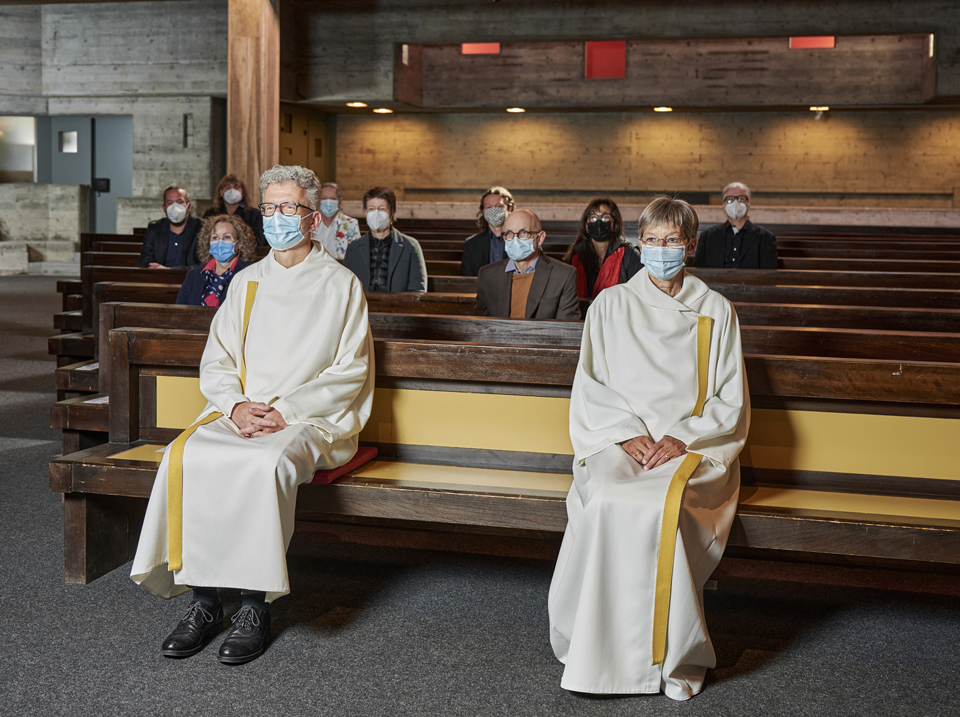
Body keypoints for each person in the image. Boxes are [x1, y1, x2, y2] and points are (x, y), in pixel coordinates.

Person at [131, 164, 374, 665]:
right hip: (243, 411)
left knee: (264, 465)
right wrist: (238, 406)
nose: (278, 216)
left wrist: (285, 411)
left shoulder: (341, 284)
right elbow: (216, 359)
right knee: (189, 454)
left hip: (310, 419)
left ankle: (252, 605)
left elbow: (351, 371)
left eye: (289, 207)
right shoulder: (247, 282)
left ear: (310, 219)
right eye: (270, 207)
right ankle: (202, 600)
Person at [549, 196, 749, 700]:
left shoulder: (716, 310)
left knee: (662, 505)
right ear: (639, 244)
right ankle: (600, 648)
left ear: (691, 245)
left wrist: (684, 436)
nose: (663, 250)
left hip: (691, 445)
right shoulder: (611, 305)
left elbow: (731, 397)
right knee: (612, 499)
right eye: (654, 241)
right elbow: (590, 384)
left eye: (673, 241)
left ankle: (664, 655)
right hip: (621, 441)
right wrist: (622, 432)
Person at [475, 209, 580, 320]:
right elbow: (481, 326)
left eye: (523, 232)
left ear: (539, 238)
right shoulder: (487, 274)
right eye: (510, 233)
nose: (515, 239)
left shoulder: (563, 275)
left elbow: (567, 329)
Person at [343, 186, 427, 292]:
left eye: (382, 209)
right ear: (365, 212)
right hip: (363, 307)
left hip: (398, 306)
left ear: (391, 212)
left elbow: (418, 289)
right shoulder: (354, 248)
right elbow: (346, 286)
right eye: (371, 209)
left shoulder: (410, 246)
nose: (376, 214)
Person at [563, 197, 642, 299]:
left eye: (605, 217)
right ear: (586, 225)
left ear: (614, 225)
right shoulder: (575, 256)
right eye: (593, 217)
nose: (598, 222)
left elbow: (638, 295)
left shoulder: (630, 255)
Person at [176, 214, 258, 306]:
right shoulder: (193, 276)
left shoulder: (251, 274)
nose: (220, 242)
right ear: (208, 242)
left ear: (239, 243)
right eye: (215, 237)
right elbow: (180, 312)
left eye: (226, 237)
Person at [692, 182, 777, 269]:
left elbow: (769, 274)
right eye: (730, 199)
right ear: (724, 206)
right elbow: (699, 272)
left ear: (748, 204)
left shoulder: (765, 238)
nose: (735, 203)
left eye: (741, 199)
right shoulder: (708, 237)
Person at [138, 184, 203, 269]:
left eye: (180, 202)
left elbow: (206, 263)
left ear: (189, 206)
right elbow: (145, 259)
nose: (175, 207)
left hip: (191, 279)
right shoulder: (154, 228)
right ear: (164, 208)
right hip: (159, 279)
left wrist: (169, 270)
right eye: (170, 202)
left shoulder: (202, 227)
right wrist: (155, 268)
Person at [461, 187, 515, 276]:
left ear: (509, 209)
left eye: (499, 206)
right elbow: (468, 279)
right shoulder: (471, 244)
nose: (494, 210)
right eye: (489, 207)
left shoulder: (523, 240)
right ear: (483, 211)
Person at [203, 174, 266, 245]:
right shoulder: (211, 214)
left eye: (236, 187)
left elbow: (260, 241)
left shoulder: (255, 215)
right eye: (228, 187)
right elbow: (204, 239)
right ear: (221, 192)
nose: (232, 191)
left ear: (242, 192)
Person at [311, 181, 360, 260]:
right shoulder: (312, 222)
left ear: (339, 202)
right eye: (324, 198)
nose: (329, 203)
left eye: (333, 199)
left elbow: (357, 253)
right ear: (319, 201)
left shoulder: (351, 223)